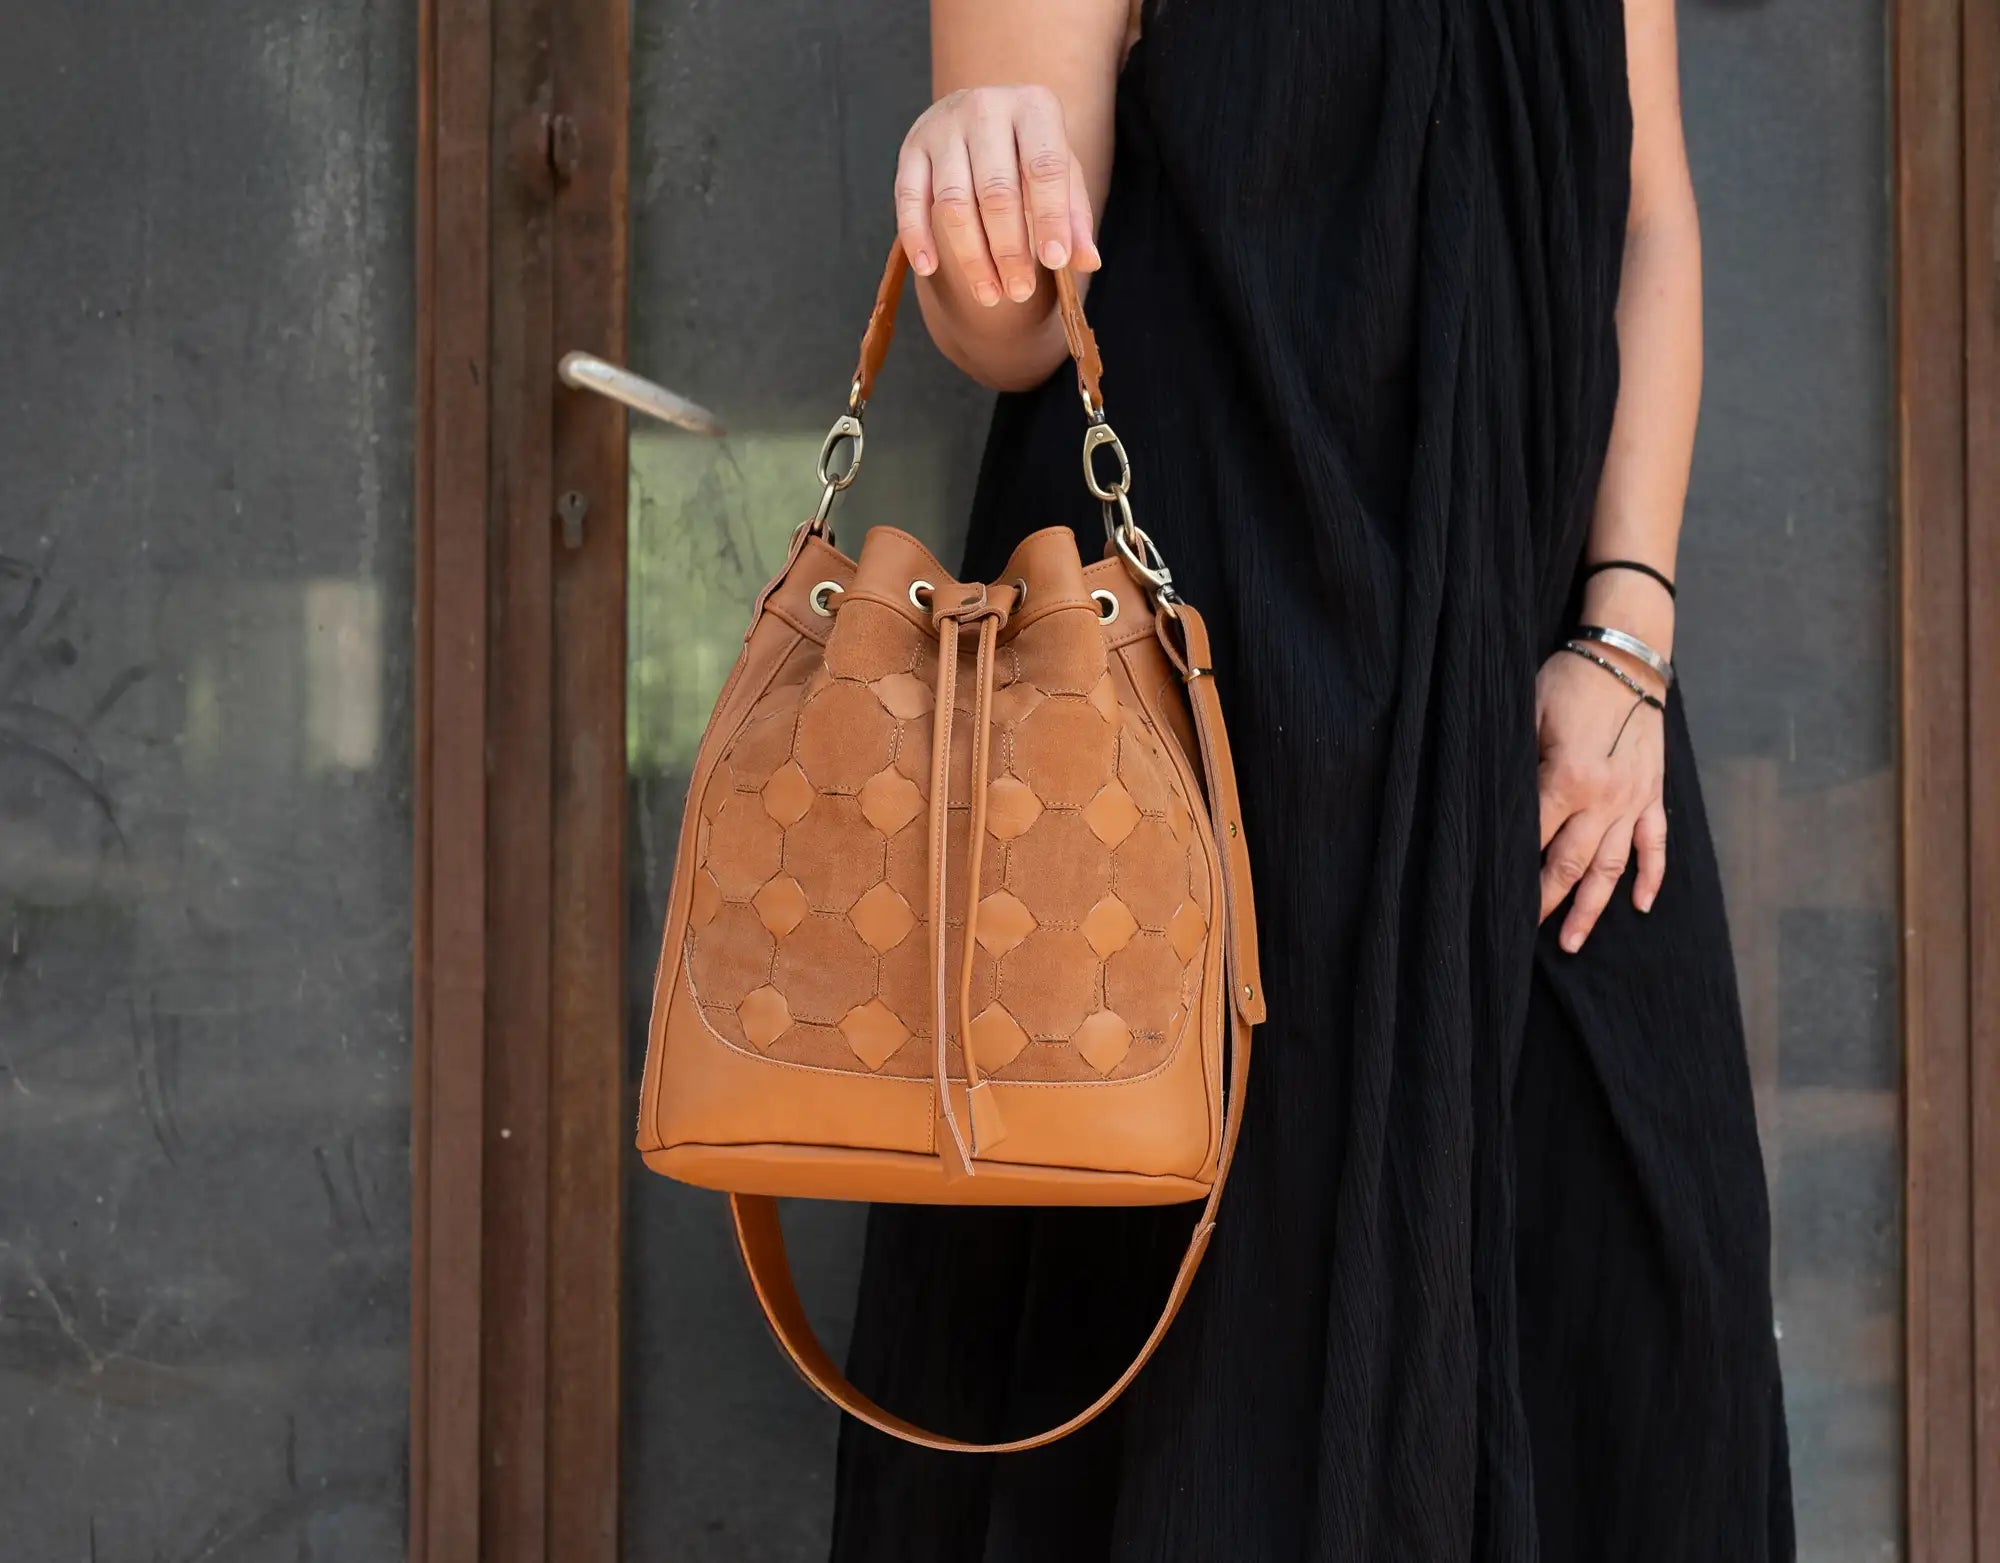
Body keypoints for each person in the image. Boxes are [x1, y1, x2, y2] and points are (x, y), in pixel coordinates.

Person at [830, 2, 1794, 1559]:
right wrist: (976, 203)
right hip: (1184, 742)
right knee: (1212, 1416)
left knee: (1643, 1353)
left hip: (1552, 731)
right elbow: (1009, 332)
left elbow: (1650, 215)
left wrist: (1625, 636)